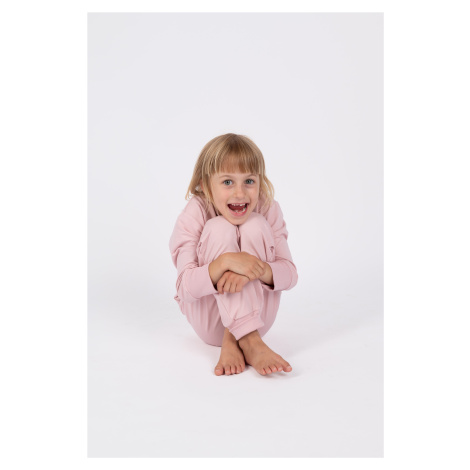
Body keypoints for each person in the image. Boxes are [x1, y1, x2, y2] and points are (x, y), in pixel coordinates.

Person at [169, 133, 298, 376]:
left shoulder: (268, 207)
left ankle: (235, 337)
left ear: (260, 181)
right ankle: (249, 341)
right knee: (218, 228)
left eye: (249, 181)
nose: (240, 193)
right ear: (205, 185)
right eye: (227, 182)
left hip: (260, 317)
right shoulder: (195, 211)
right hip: (211, 322)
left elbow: (290, 275)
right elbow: (185, 288)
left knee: (255, 224)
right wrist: (225, 263)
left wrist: (255, 269)